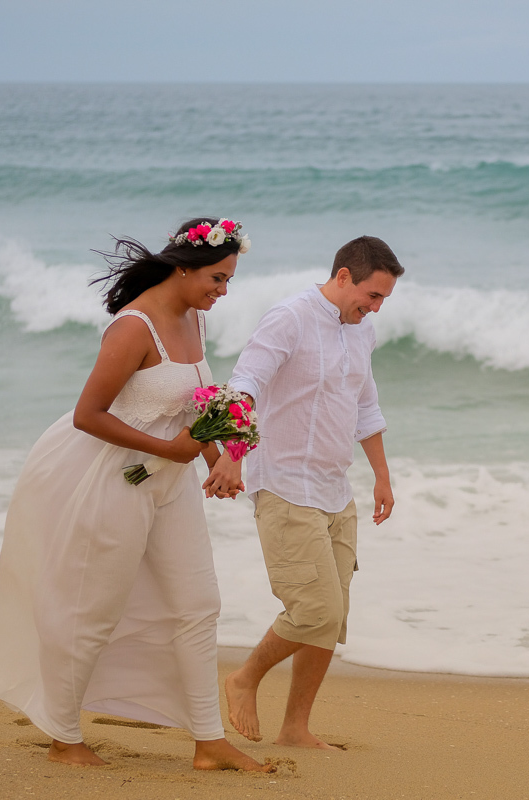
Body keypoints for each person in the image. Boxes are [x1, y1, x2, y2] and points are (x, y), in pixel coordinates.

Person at [0, 218, 269, 772]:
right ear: (183, 267)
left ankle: (209, 742)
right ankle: (63, 738)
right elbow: (87, 415)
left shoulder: (194, 319)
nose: (223, 291)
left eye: (229, 279)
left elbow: (194, 402)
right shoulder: (133, 327)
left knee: (198, 604)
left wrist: (217, 459)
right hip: (112, 478)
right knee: (92, 610)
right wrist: (172, 452)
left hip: (170, 482)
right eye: (217, 277)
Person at [205, 235, 403, 749]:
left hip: (337, 490)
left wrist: (381, 474)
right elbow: (245, 383)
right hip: (286, 485)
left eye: (384, 299)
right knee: (315, 610)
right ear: (343, 277)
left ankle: (295, 728)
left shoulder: (363, 332)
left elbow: (365, 405)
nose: (376, 307)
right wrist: (232, 453)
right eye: (373, 295)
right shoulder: (289, 318)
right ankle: (244, 676)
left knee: (331, 618)